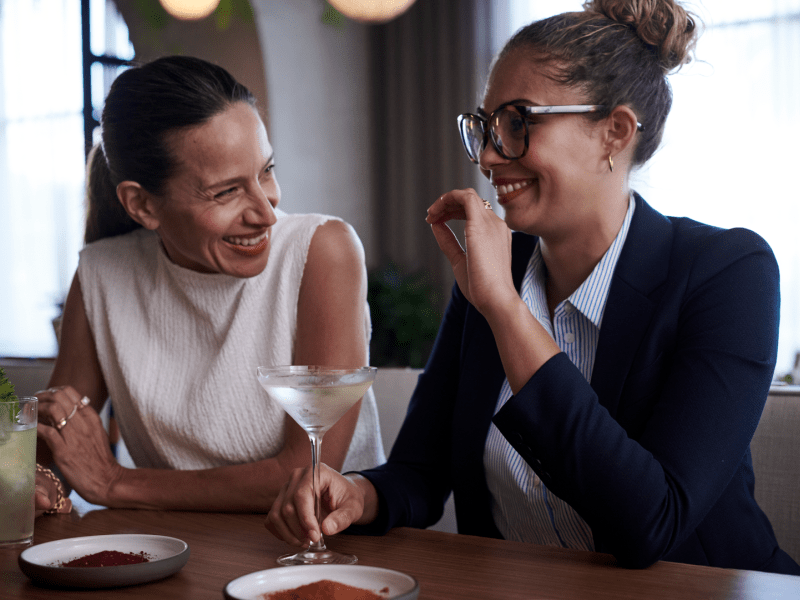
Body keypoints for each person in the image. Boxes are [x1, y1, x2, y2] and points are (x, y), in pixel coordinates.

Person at [266, 0, 800, 575]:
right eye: (487, 127)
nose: (491, 156)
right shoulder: (497, 266)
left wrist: (503, 308)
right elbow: (421, 472)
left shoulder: (727, 272)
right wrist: (359, 495)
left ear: (613, 134)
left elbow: (652, 523)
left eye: (518, 124)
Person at [34, 55, 384, 513]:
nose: (266, 211)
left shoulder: (322, 250)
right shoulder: (102, 275)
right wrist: (41, 483)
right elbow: (57, 444)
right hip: (169, 558)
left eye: (266, 171)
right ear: (142, 205)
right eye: (226, 191)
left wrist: (116, 484)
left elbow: (307, 473)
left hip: (324, 553)